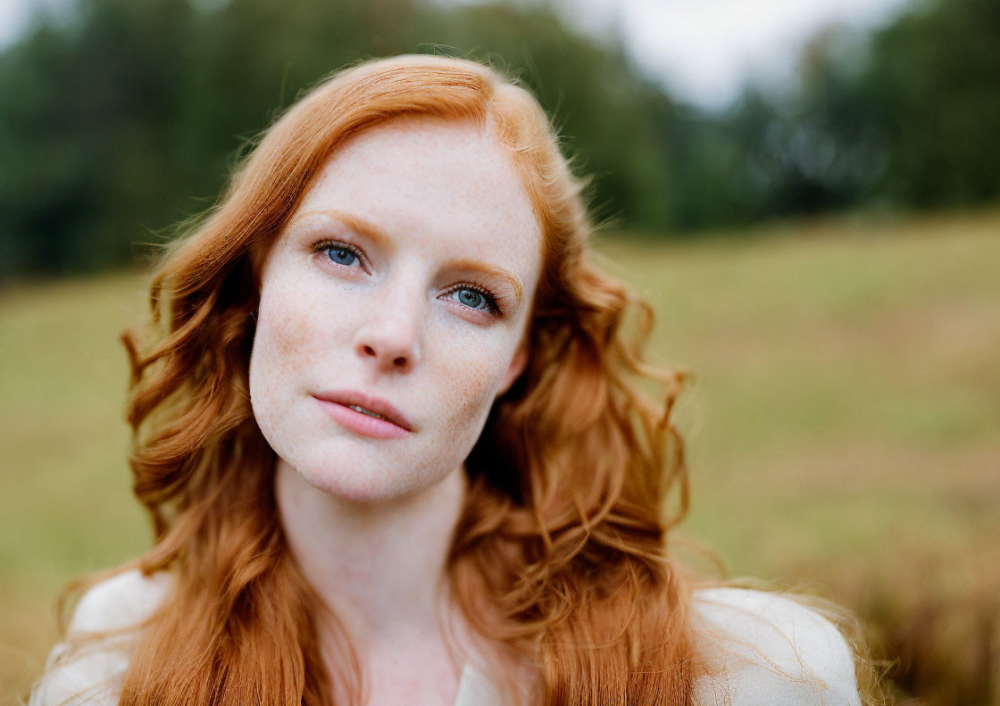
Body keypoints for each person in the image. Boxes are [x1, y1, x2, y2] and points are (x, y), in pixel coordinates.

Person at [31, 55, 869, 705]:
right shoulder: (117, 673)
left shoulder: (737, 678)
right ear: (257, 277)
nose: (393, 336)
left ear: (516, 358)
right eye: (342, 253)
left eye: (471, 296)